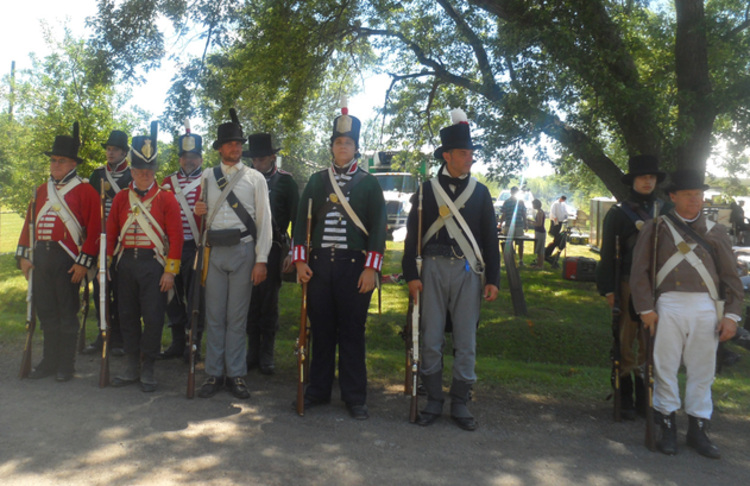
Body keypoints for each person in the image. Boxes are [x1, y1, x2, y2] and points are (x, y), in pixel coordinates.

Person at [630, 169, 743, 459]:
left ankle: (698, 428)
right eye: (689, 194)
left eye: (699, 195)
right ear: (673, 196)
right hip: (668, 305)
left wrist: (731, 316)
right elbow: (639, 272)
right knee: (665, 367)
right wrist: (646, 309)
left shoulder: (715, 231)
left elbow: (731, 278)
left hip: (706, 306)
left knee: (702, 370)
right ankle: (667, 424)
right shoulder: (656, 228)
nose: (695, 200)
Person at [402, 108, 500, 431]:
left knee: (466, 339)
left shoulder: (481, 193)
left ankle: (460, 401)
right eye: (464, 153)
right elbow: (412, 235)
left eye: (471, 153)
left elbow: (489, 239)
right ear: (447, 155)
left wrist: (493, 279)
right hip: (431, 269)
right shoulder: (427, 190)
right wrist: (411, 275)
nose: (470, 158)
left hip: (468, 271)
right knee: (431, 337)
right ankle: (433, 399)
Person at [292, 101, 386, 420]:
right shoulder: (317, 181)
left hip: (354, 267)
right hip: (319, 266)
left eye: (348, 142)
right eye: (338, 142)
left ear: (356, 148)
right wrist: (300, 262)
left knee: (351, 332)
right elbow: (300, 224)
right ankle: (317, 390)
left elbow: (378, 230)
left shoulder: (369, 183)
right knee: (321, 330)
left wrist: (371, 268)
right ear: (332, 147)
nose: (342, 146)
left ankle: (354, 396)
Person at [193, 109, 273, 400]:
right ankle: (214, 373)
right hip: (214, 251)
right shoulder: (206, 176)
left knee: (237, 318)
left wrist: (261, 259)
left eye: (238, 143)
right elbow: (200, 217)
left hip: (243, 250)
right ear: (220, 148)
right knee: (214, 316)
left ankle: (235, 374)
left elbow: (264, 221)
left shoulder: (255, 178)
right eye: (230, 143)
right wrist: (198, 210)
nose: (235, 147)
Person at [16, 122, 101, 382]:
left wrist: (83, 263)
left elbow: (95, 231)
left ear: (73, 163)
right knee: (46, 312)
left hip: (68, 260)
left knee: (67, 314)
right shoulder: (42, 190)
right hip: (41, 257)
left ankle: (66, 364)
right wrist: (23, 257)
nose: (55, 165)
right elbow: (29, 225)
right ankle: (49, 362)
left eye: (61, 160)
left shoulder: (86, 190)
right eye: (53, 160)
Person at [107, 124, 184, 392]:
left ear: (154, 172)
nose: (144, 175)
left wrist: (170, 271)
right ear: (132, 171)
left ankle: (148, 365)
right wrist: (106, 266)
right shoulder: (121, 198)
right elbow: (111, 233)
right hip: (126, 263)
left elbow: (177, 238)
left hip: (153, 265)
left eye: (149, 171)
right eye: (139, 171)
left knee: (153, 317)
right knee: (127, 315)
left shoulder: (166, 199)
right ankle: (131, 364)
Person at [595, 154, 669, 420]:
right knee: (625, 340)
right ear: (634, 181)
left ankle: (646, 395)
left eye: (651, 177)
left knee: (651, 341)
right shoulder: (618, 213)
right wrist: (609, 290)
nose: (648, 181)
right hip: (626, 282)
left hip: (658, 285)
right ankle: (625, 394)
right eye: (643, 177)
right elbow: (607, 254)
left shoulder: (667, 211)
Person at [244, 133, 299, 375]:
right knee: (249, 301)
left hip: (274, 248)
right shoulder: (244, 180)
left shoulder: (286, 182)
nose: (257, 164)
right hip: (246, 246)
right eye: (254, 160)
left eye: (262, 159)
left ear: (272, 158)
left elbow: (297, 220)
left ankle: (267, 353)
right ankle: (252, 351)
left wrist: (293, 252)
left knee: (268, 302)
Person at [82, 129, 132, 356]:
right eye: (108, 149)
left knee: (121, 291)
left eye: (115, 149)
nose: (110, 153)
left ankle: (120, 337)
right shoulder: (97, 175)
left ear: (124, 152)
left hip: (124, 241)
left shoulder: (133, 175)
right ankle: (103, 333)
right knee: (100, 290)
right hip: (101, 240)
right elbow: (89, 209)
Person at [160, 122, 204, 361]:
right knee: (172, 296)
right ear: (179, 159)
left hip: (195, 248)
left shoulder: (208, 180)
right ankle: (177, 341)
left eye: (194, 156)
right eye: (186, 156)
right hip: (172, 249)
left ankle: (193, 343)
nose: (190, 161)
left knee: (195, 297)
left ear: (201, 158)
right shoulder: (167, 183)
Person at [500, 186, 527, 266]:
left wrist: (500, 223)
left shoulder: (507, 202)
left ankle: (512, 260)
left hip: (510, 225)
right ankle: (518, 260)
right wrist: (525, 224)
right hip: (517, 225)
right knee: (519, 243)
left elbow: (504, 214)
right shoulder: (520, 202)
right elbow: (524, 214)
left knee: (510, 243)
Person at [530, 199, 545, 269]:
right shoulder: (539, 212)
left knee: (540, 250)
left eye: (533, 204)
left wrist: (531, 223)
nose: (532, 206)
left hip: (540, 232)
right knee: (538, 249)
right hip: (538, 232)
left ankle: (540, 265)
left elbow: (539, 224)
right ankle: (538, 264)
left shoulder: (540, 213)